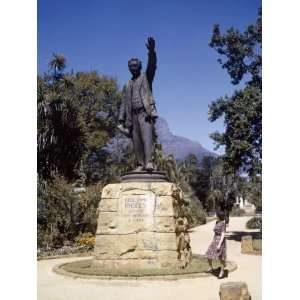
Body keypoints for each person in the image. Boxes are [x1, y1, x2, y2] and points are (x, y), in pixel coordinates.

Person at [118, 37, 158, 172]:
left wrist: (151, 52)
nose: (133, 68)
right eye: (131, 66)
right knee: (136, 141)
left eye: (135, 66)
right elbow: (123, 103)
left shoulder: (146, 78)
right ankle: (140, 164)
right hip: (132, 117)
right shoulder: (127, 85)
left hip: (145, 113)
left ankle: (149, 162)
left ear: (140, 66)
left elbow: (152, 65)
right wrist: (120, 120)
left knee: (147, 138)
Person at [205, 210, 227, 279]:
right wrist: (213, 241)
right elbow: (215, 233)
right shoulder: (217, 222)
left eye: (216, 215)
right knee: (208, 254)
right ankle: (210, 267)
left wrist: (219, 244)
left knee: (221, 258)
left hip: (220, 241)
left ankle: (222, 272)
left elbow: (223, 234)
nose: (216, 216)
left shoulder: (223, 223)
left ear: (219, 216)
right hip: (215, 240)